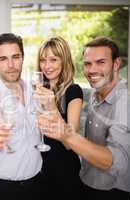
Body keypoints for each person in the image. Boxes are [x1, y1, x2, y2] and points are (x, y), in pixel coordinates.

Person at [37, 36, 130, 200]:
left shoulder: (126, 105)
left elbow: (114, 163)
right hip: (87, 185)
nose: (92, 70)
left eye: (101, 62)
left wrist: (60, 124)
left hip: (112, 194)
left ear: (116, 64)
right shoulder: (95, 95)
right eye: (87, 64)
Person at [0, 33, 43, 200]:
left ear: (22, 58)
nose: (11, 65)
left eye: (16, 57)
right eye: (4, 59)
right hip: (4, 190)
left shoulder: (35, 90)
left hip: (37, 184)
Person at [34, 36, 83, 200]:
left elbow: (71, 141)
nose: (47, 66)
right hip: (40, 170)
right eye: (43, 60)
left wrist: (52, 107)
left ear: (64, 61)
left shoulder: (73, 91)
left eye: (53, 60)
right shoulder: (38, 91)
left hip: (64, 172)